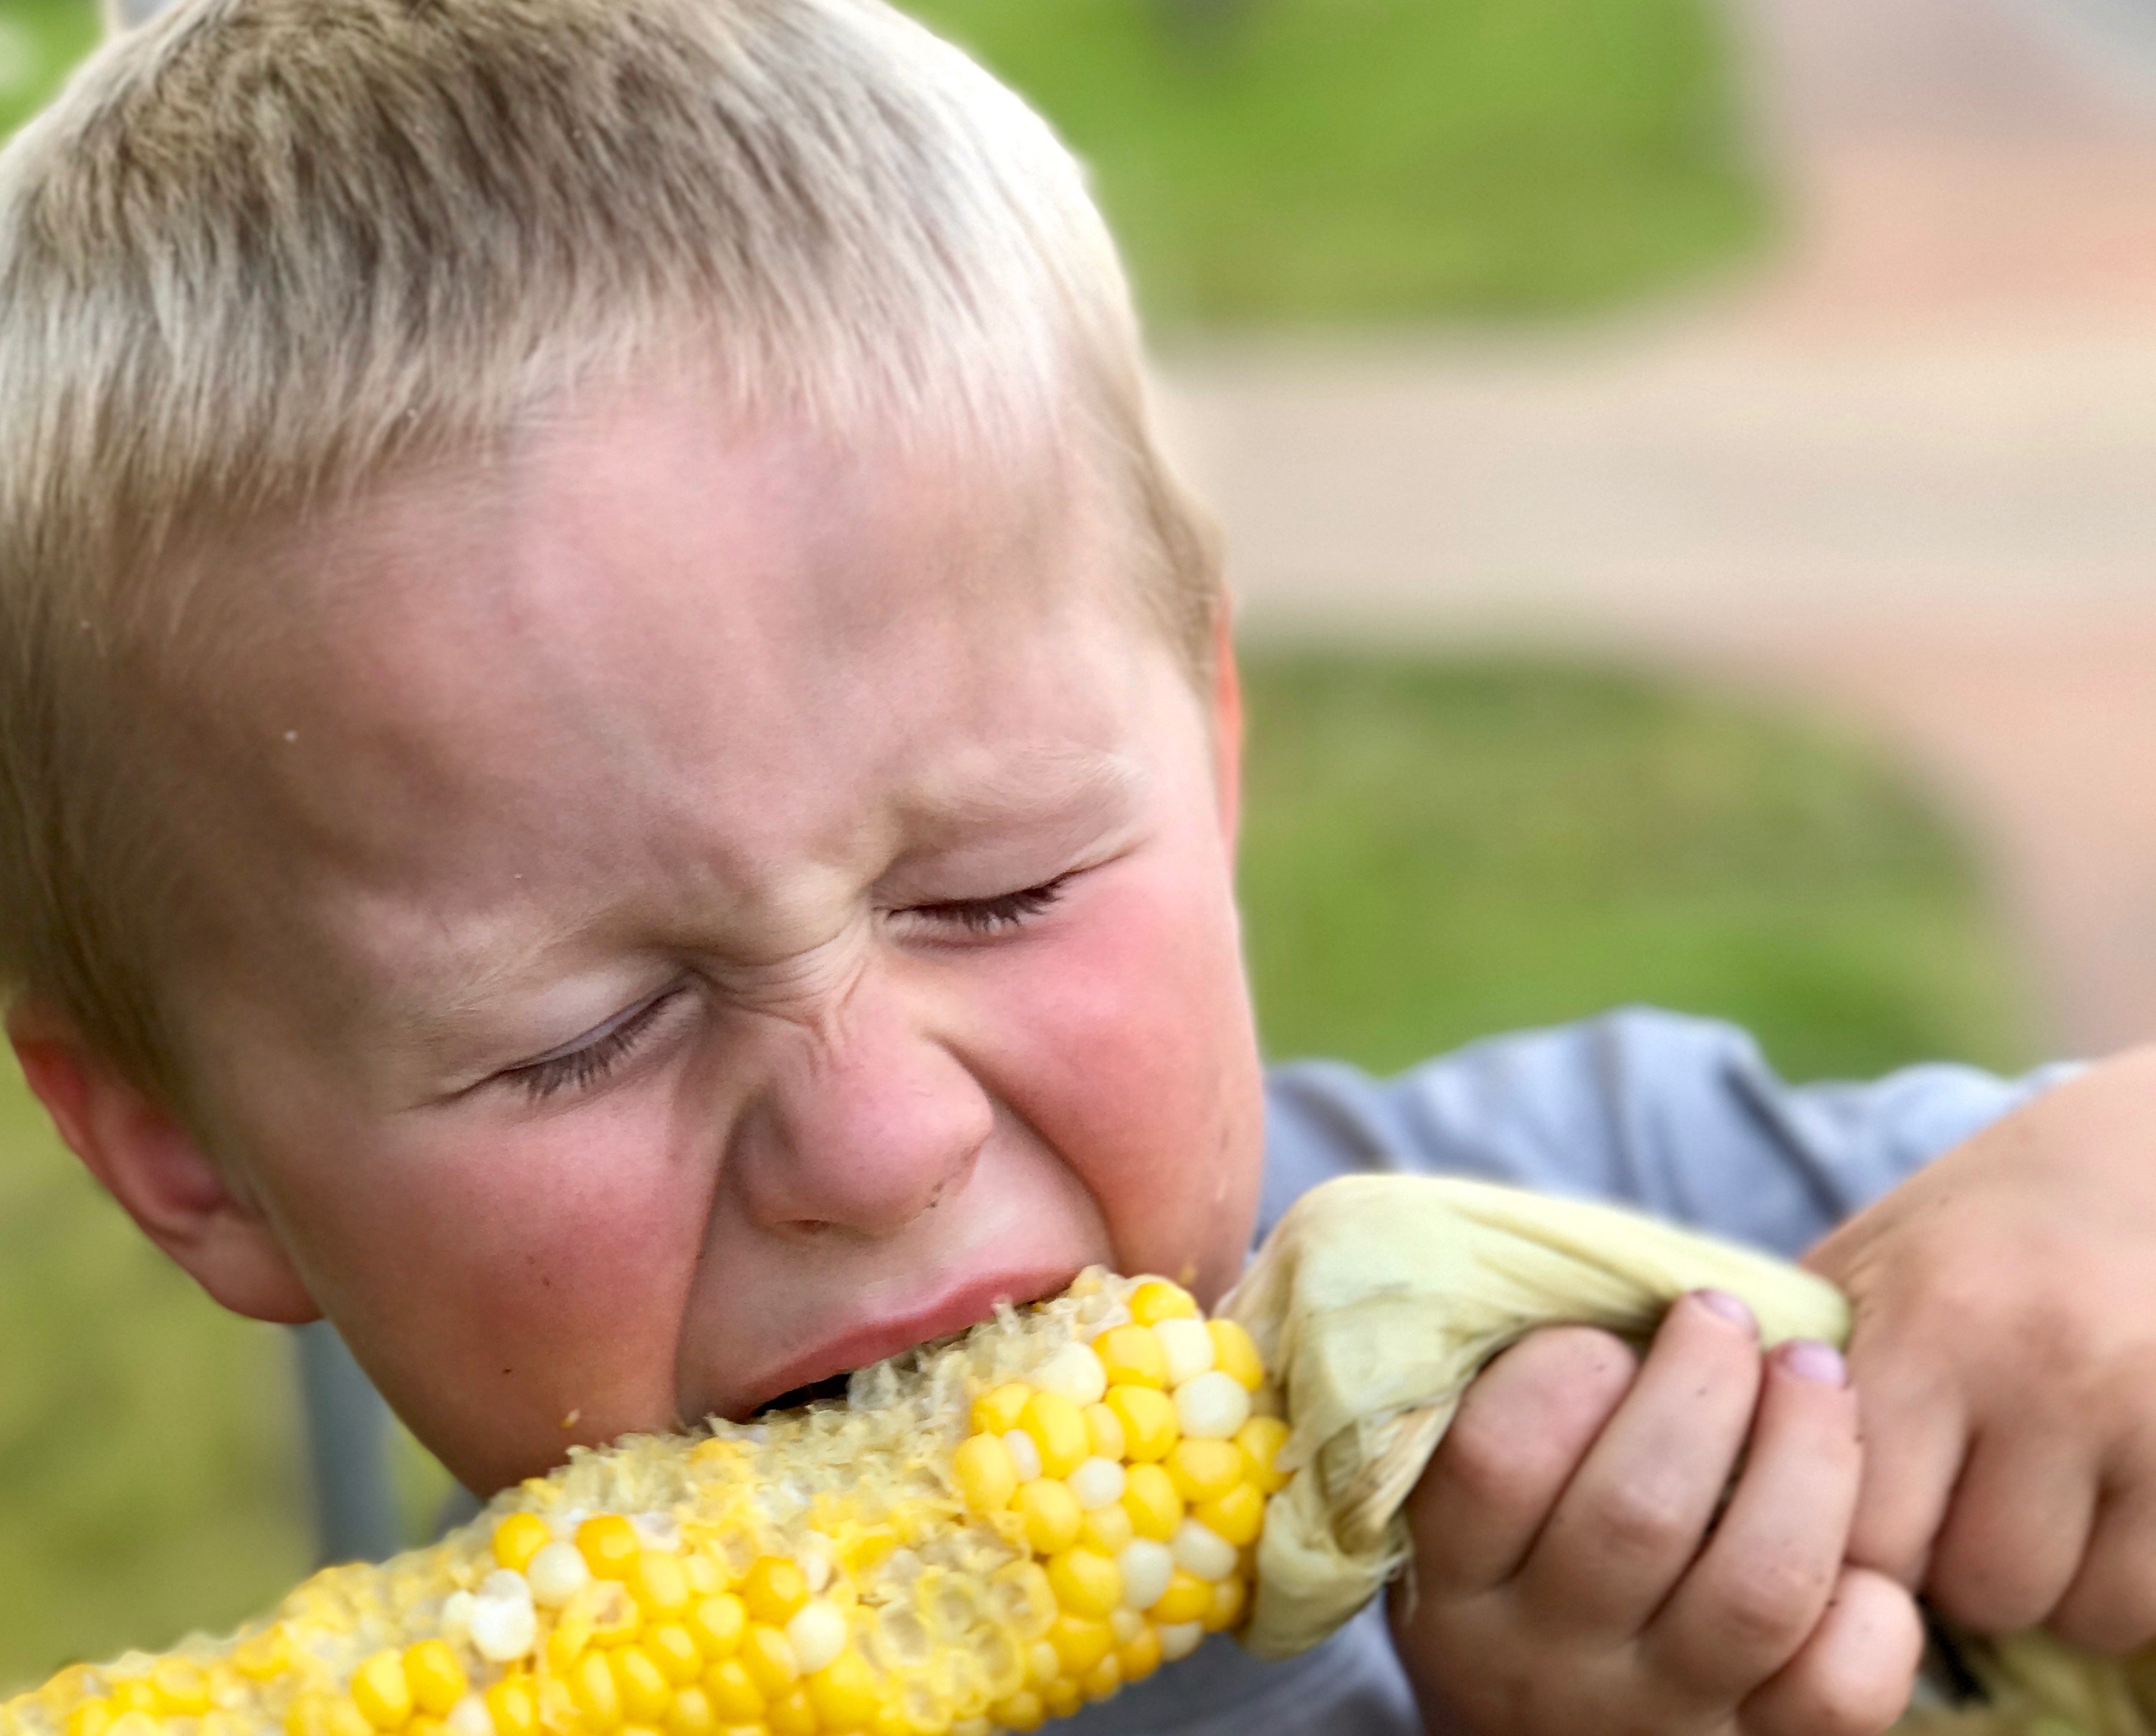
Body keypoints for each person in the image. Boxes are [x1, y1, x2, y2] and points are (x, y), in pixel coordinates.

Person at [2, 3, 2153, 1730]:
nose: (876, 1133)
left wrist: (2097, 1190)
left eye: (992, 890)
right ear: (182, 1151)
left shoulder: (1661, 1196)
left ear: (1207, 741)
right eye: (586, 1035)